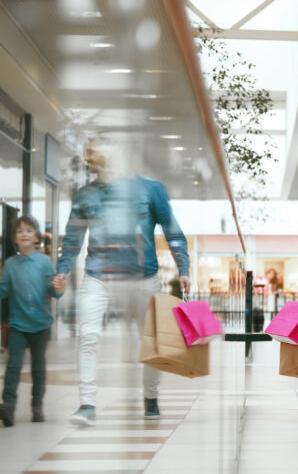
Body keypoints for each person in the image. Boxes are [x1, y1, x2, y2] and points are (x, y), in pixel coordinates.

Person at [56, 140, 190, 426]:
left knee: (150, 341)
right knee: (87, 336)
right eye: (87, 151)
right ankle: (87, 404)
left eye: (93, 150)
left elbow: (172, 231)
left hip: (144, 278)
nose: (87, 156)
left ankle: (150, 396)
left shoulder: (152, 189)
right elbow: (72, 238)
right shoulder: (85, 195)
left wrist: (184, 267)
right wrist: (62, 269)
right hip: (98, 277)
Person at [0, 216, 65, 426]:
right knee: (13, 365)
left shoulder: (45, 262)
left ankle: (37, 406)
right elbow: (4, 290)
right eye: (20, 232)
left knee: (38, 367)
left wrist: (58, 289)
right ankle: (8, 406)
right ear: (14, 239)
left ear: (36, 237)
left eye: (29, 230)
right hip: (18, 324)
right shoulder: (10, 265)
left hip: (40, 325)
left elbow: (52, 292)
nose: (24, 234)